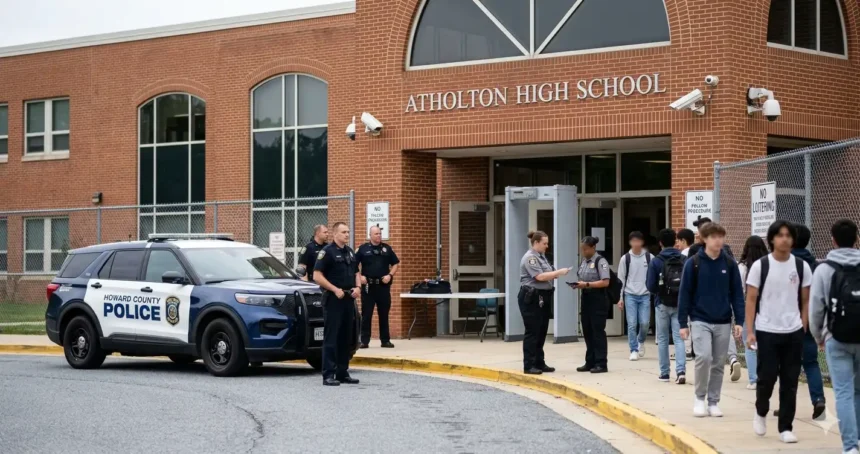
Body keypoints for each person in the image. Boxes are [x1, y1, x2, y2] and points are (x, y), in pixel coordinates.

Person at [746, 220, 811, 443]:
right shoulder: (760, 266)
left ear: (793, 240)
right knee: (767, 377)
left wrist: (803, 324)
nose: (784, 239)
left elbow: (805, 300)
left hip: (793, 331)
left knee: (790, 381)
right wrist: (750, 331)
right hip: (767, 329)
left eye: (788, 235)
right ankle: (761, 411)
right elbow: (751, 299)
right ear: (772, 239)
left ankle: (786, 426)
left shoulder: (801, 266)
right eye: (780, 235)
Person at [678, 222, 744, 418]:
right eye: (714, 237)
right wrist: (683, 323)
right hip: (700, 319)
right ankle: (699, 398)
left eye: (721, 237)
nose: (718, 240)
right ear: (704, 239)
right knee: (704, 357)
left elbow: (737, 295)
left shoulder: (729, 264)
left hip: (723, 320)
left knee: (718, 362)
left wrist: (739, 320)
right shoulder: (694, 263)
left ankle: (713, 401)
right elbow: (685, 293)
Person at [810, 219, 860, 454]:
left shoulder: (824, 269)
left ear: (833, 239)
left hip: (836, 337)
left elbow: (816, 308)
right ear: (856, 239)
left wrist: (818, 335)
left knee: (843, 391)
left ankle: (850, 446)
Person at [772, 223, 826, 419]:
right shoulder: (817, 265)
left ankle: (786, 405)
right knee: (811, 363)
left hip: (788, 320)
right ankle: (818, 399)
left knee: (786, 365)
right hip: (810, 319)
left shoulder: (786, 264)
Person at [313, 222, 361, 387]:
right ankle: (328, 374)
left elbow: (356, 272)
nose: (347, 235)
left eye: (348, 232)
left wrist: (358, 287)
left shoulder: (349, 252)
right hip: (334, 300)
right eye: (344, 232)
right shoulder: (327, 252)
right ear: (335, 234)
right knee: (331, 337)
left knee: (345, 337)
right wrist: (335, 289)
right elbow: (317, 276)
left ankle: (342, 372)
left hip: (349, 299)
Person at [518, 230, 571, 375]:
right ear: (536, 243)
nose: (547, 246)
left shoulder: (542, 257)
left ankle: (539, 362)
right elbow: (540, 277)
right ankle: (529, 365)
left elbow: (548, 273)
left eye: (547, 243)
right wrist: (558, 272)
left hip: (543, 296)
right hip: (532, 297)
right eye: (544, 243)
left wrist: (555, 273)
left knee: (541, 331)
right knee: (533, 331)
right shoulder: (531, 258)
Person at [728, 235, 769, 390]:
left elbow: (739, 291)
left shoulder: (742, 267)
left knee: (750, 345)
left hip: (748, 308)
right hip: (766, 308)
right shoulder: (769, 264)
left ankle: (753, 379)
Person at [647, 228, 687, 384]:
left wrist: (659, 292)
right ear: (675, 241)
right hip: (680, 303)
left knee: (663, 339)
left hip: (661, 303)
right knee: (679, 338)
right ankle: (681, 371)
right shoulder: (683, 259)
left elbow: (650, 286)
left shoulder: (656, 261)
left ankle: (664, 373)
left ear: (660, 243)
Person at [356, 226, 400, 349]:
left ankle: (385, 340)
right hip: (368, 287)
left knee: (384, 314)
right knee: (366, 314)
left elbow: (396, 263)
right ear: (370, 235)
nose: (378, 236)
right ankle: (364, 341)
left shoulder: (386, 249)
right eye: (376, 234)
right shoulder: (363, 249)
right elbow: (354, 264)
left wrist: (390, 275)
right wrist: (360, 277)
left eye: (380, 233)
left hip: (383, 287)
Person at [574, 236, 611, 374]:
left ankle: (601, 363)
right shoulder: (584, 262)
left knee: (597, 331)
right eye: (582, 249)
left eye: (585, 249)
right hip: (586, 297)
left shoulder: (600, 261)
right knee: (587, 330)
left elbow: (605, 282)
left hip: (598, 299)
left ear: (593, 248)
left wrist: (587, 284)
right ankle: (590, 361)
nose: (583, 251)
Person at [618, 231, 652, 361]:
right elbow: (621, 279)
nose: (636, 244)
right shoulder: (625, 258)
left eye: (638, 241)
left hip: (645, 295)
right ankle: (633, 349)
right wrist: (620, 298)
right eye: (633, 241)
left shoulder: (649, 257)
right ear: (630, 242)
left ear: (642, 242)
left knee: (644, 323)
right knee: (631, 324)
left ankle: (641, 340)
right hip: (630, 294)